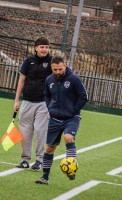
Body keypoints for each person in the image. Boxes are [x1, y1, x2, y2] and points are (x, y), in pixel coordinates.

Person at [35, 55, 88, 184]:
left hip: (71, 118)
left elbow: (84, 96)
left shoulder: (74, 79)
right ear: (51, 68)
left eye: (60, 69)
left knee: (68, 137)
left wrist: (73, 110)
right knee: (49, 149)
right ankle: (45, 178)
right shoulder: (49, 80)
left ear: (65, 65)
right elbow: (47, 95)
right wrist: (50, 108)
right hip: (55, 118)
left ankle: (71, 169)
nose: (58, 72)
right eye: (55, 70)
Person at [14, 37, 52, 171]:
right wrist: (17, 100)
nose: (44, 49)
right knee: (25, 131)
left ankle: (39, 160)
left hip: (44, 103)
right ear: (35, 48)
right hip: (27, 101)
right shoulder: (28, 61)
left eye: (46, 47)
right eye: (42, 47)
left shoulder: (52, 62)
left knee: (41, 131)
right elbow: (21, 81)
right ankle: (25, 160)